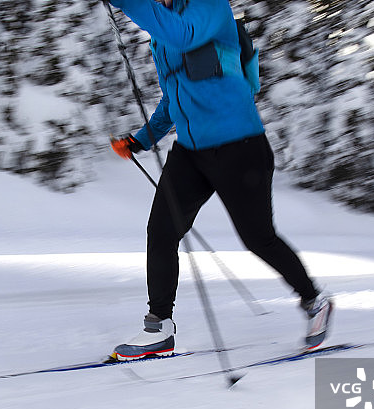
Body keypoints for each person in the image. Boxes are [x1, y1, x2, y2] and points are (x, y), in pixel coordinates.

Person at [108, 0, 332, 360]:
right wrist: (141, 139)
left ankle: (314, 301)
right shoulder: (164, 32)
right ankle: (159, 327)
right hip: (191, 153)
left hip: (240, 147)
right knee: (162, 232)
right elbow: (175, 96)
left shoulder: (208, 8)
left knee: (259, 238)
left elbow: (181, 36)